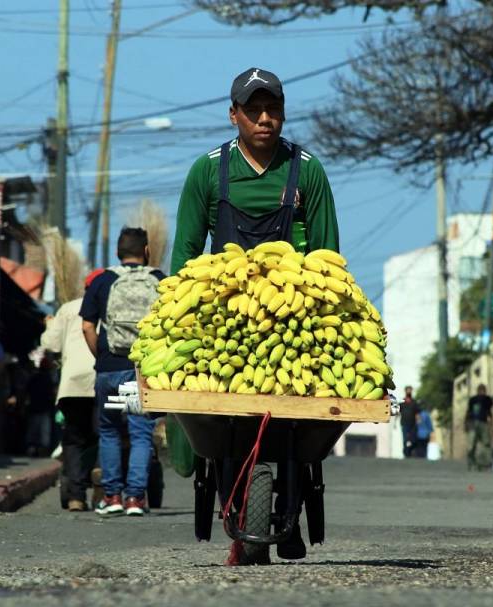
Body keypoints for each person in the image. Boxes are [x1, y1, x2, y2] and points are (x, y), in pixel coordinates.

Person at [171, 67, 341, 564]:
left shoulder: (306, 169)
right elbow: (185, 252)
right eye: (254, 110)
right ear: (234, 115)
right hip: (227, 317)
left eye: (273, 109)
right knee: (223, 425)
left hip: (294, 317)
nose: (265, 118)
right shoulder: (208, 170)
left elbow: (329, 251)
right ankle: (239, 507)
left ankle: (288, 499)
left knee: (297, 417)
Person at [81, 227, 164, 517]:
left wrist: (101, 355)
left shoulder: (102, 280)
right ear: (146, 251)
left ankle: (112, 495)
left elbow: (87, 326)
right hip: (140, 371)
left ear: (118, 252)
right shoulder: (158, 280)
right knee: (141, 432)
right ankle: (135, 500)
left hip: (109, 368)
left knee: (109, 430)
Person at [40, 281, 98, 512]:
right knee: (106, 434)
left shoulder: (68, 308)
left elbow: (50, 343)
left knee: (74, 439)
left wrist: (49, 325)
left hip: (73, 382)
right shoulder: (111, 303)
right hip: (104, 376)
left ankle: (76, 496)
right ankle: (103, 483)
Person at [25, 354, 57, 456]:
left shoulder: (35, 378)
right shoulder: (48, 379)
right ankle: (41, 449)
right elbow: (52, 394)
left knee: (34, 431)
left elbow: (27, 392)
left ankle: (33, 448)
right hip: (43, 409)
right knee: (43, 431)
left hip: (35, 408)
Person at [466, 384, 493, 471]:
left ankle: (485, 463)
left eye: (483, 390)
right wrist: (466, 423)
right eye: (480, 390)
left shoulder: (487, 399)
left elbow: (489, 412)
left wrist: (491, 424)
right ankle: (472, 462)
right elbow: (468, 412)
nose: (482, 392)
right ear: (478, 391)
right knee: (471, 445)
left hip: (483, 422)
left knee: (486, 443)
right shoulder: (473, 400)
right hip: (473, 422)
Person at [399, 386, 420, 458]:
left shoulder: (414, 402)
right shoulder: (402, 401)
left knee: (412, 439)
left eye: (410, 390)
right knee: (405, 439)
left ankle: (410, 451)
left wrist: (418, 421)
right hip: (404, 423)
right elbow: (398, 411)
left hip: (413, 424)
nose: (409, 391)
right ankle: (406, 453)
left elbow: (417, 412)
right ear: (405, 391)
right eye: (407, 390)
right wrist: (395, 423)